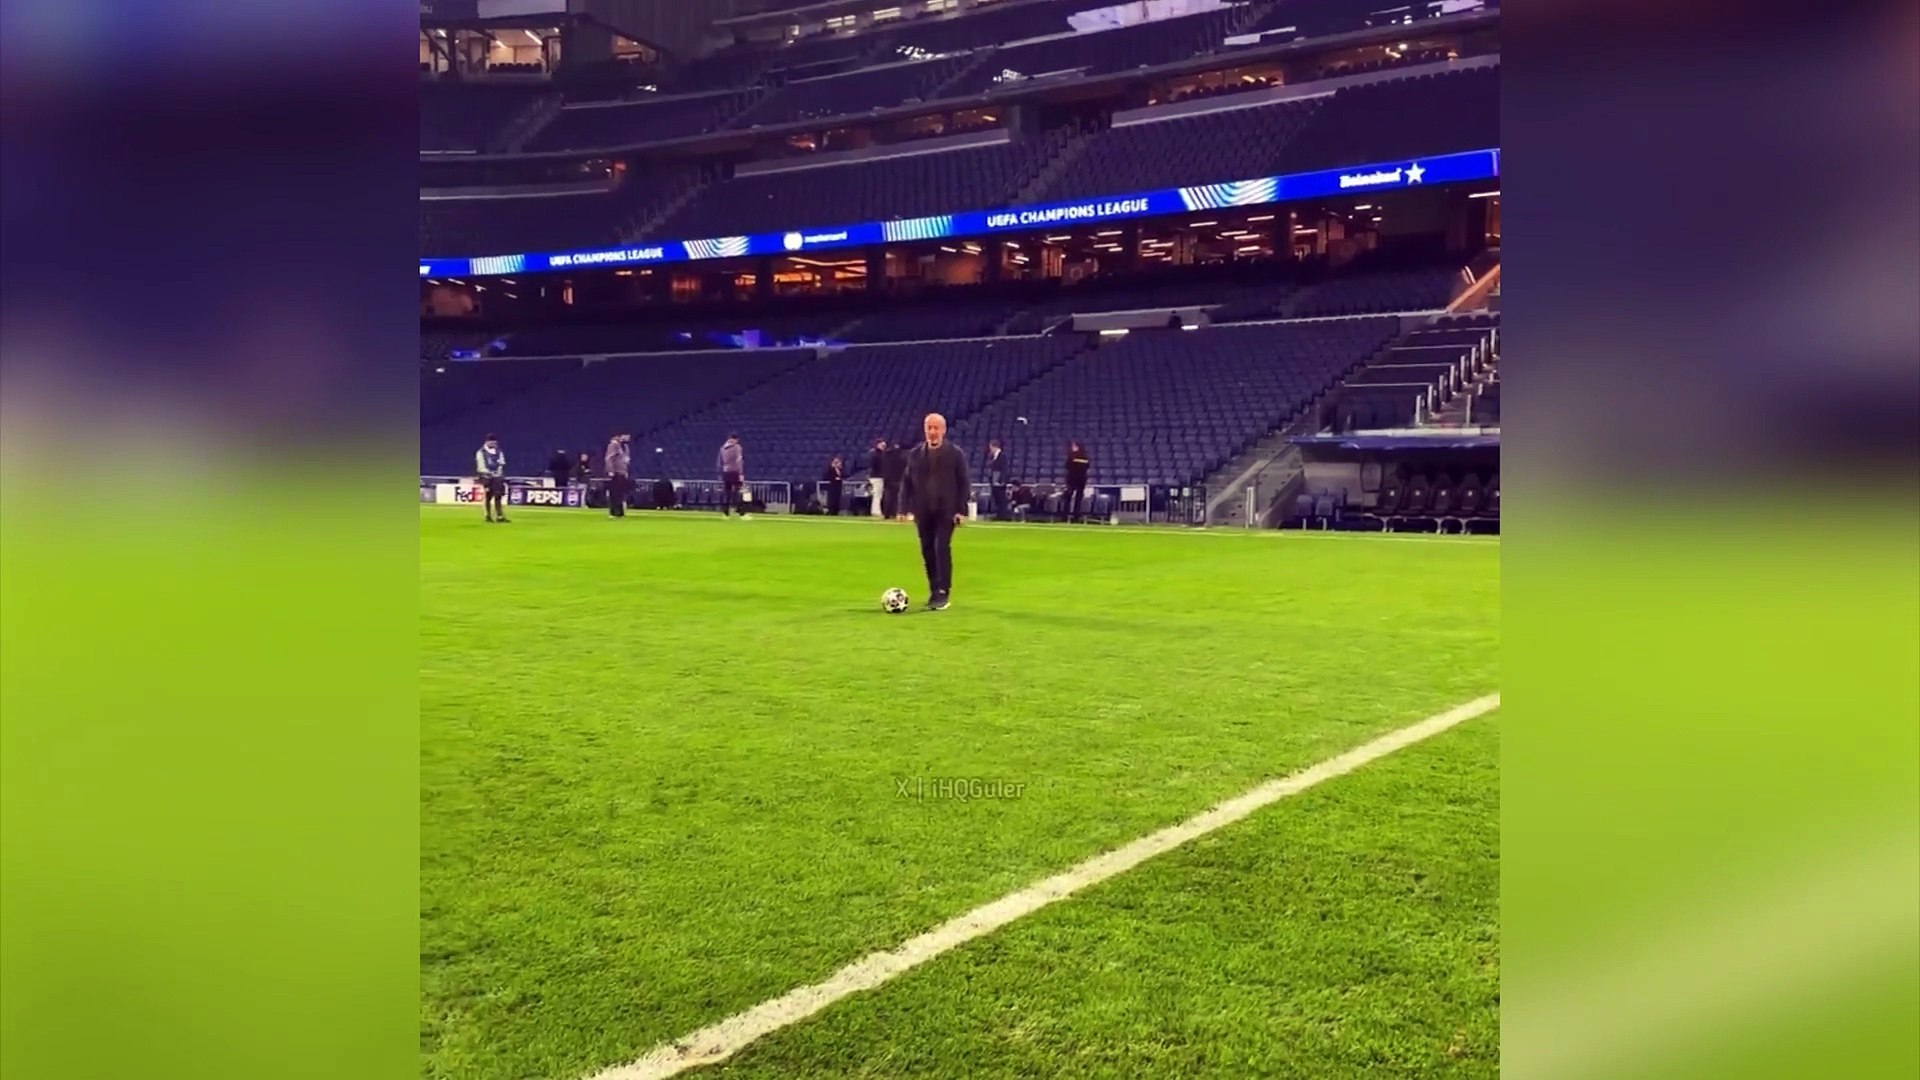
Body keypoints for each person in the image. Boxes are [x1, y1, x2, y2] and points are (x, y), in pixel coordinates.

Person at [898, 413, 969, 611]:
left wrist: (961, 510)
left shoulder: (955, 454)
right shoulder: (915, 454)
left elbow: (963, 483)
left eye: (936, 428)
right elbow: (906, 483)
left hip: (946, 511)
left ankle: (943, 591)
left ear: (943, 430)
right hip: (923, 512)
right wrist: (902, 508)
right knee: (927, 550)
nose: (932, 432)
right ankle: (934, 589)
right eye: (929, 428)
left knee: (941, 547)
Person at [475, 433, 509, 523]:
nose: (494, 444)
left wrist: (499, 472)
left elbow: (502, 463)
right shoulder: (481, 452)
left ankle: (500, 516)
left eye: (495, 443)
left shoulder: (499, 451)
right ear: (487, 442)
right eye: (492, 442)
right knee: (488, 496)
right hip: (486, 477)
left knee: (498, 496)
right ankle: (487, 516)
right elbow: (480, 465)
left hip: (497, 477)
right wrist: (487, 473)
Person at [717, 434, 747, 518]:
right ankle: (740, 512)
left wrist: (720, 473)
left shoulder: (722, 448)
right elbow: (739, 461)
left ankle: (726, 512)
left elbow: (719, 462)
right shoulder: (737, 447)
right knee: (737, 492)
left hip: (726, 472)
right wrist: (741, 473)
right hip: (735, 472)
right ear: (736, 440)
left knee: (727, 493)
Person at [1063, 439, 1091, 523]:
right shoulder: (1085, 457)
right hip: (1082, 479)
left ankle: (1065, 516)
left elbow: (1067, 466)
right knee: (1078, 499)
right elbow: (1087, 466)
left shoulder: (1071, 456)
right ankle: (1076, 517)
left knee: (1068, 497)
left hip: (1072, 479)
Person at [604, 432, 631, 518]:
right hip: (616, 472)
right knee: (615, 493)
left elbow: (624, 460)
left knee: (620, 494)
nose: (628, 438)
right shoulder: (614, 445)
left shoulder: (624, 446)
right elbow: (609, 458)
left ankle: (620, 512)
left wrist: (625, 471)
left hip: (622, 472)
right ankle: (613, 512)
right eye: (627, 435)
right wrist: (610, 470)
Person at [984, 438, 1011, 521]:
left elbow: (1004, 469)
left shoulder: (1002, 456)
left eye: (991, 447)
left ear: (994, 447)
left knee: (1001, 499)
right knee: (997, 499)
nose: (990, 449)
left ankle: (1003, 516)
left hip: (999, 481)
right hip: (994, 480)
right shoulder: (992, 456)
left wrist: (1001, 480)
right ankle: (999, 515)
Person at [882, 438, 908, 519]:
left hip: (888, 478)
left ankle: (887, 513)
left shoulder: (885, 455)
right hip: (897, 479)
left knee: (888, 496)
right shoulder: (901, 456)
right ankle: (895, 512)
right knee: (896, 497)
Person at [866, 438, 889, 518]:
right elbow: (875, 465)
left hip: (876, 476)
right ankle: (876, 511)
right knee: (877, 494)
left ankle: (875, 510)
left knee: (877, 494)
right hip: (877, 477)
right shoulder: (876, 454)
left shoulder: (876, 453)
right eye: (882, 445)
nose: (883, 447)